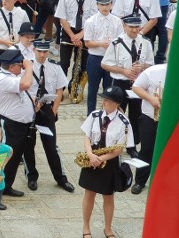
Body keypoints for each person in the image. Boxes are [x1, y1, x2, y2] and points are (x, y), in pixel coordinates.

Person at [79, 86, 135, 238]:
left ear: (117, 104)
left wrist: (101, 159)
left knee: (108, 195)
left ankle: (108, 228)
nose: (104, 102)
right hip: (92, 156)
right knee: (89, 193)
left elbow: (119, 149)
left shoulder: (124, 122)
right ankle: (86, 227)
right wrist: (90, 154)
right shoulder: (95, 115)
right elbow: (87, 136)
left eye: (108, 100)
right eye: (104, 99)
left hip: (109, 160)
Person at [100, 14, 154, 149]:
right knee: (117, 113)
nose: (134, 30)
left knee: (136, 116)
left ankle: (132, 145)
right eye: (131, 27)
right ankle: (114, 144)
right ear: (124, 27)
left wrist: (142, 67)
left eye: (137, 27)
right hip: (120, 83)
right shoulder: (116, 43)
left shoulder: (146, 42)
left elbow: (151, 64)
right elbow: (105, 64)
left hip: (138, 84)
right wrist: (124, 71)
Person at [28, 40, 76, 192]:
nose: (42, 55)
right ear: (34, 50)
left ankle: (60, 178)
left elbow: (59, 88)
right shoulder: (27, 66)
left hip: (47, 110)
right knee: (28, 146)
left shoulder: (55, 67)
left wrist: (54, 110)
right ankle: (31, 176)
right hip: (29, 110)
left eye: (45, 51)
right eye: (39, 51)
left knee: (51, 146)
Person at [0, 47, 34, 202]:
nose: (22, 67)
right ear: (11, 66)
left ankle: (6, 186)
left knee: (14, 159)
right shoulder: (3, 78)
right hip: (8, 124)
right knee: (2, 159)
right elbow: (26, 83)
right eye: (20, 65)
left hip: (20, 125)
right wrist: (29, 67)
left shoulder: (12, 75)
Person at [130, 63, 165, 195]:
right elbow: (136, 87)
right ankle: (139, 181)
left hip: (171, 122)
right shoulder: (153, 71)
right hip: (150, 118)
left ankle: (163, 181)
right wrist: (151, 98)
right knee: (146, 150)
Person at [55, 0, 97, 78]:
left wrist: (81, 35)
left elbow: (92, 20)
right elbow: (62, 19)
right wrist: (72, 36)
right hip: (68, 31)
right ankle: (61, 88)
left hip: (84, 32)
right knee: (64, 63)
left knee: (81, 64)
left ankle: (73, 90)